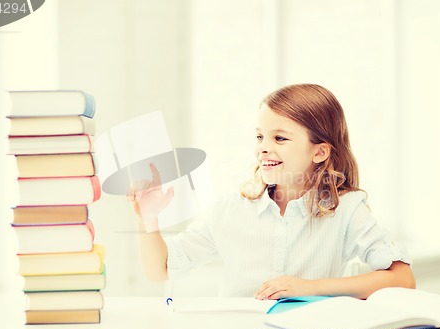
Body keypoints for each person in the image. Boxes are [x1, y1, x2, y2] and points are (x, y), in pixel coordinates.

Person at [128, 84, 415, 300]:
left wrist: (309, 288)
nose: (263, 147)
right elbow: (160, 270)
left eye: (279, 137)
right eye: (259, 136)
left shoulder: (347, 209)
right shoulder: (231, 208)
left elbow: (403, 279)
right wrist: (148, 220)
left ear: (319, 152)